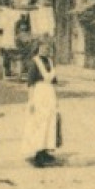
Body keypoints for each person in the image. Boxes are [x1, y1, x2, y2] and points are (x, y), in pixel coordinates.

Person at [21, 39, 60, 168]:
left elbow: (54, 81)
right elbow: (31, 83)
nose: (45, 50)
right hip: (39, 94)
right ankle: (38, 154)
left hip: (49, 94)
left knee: (50, 122)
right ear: (38, 48)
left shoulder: (50, 62)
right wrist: (31, 101)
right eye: (43, 47)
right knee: (39, 123)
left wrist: (56, 99)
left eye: (48, 47)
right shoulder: (35, 62)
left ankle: (45, 151)